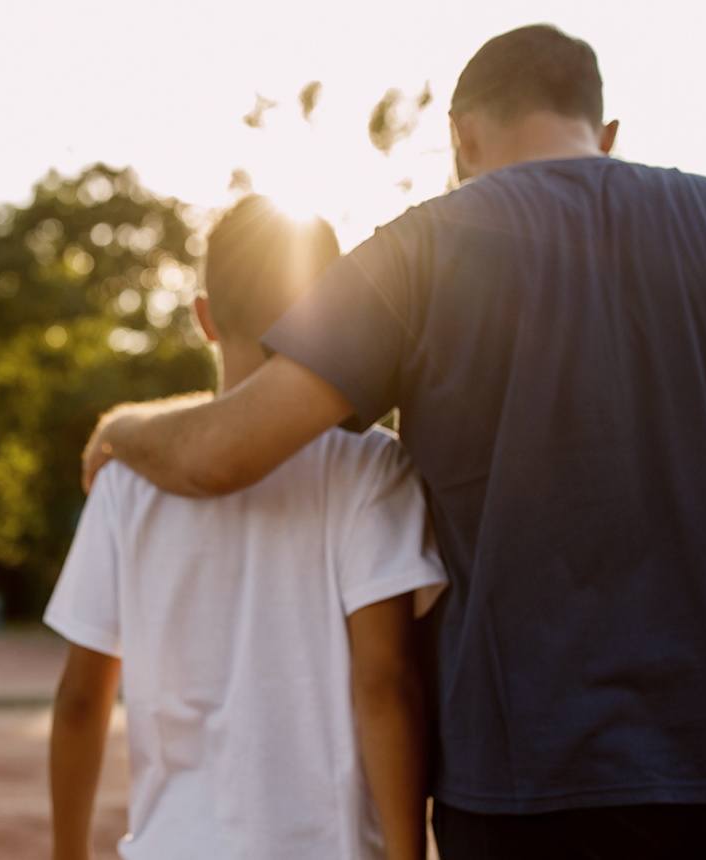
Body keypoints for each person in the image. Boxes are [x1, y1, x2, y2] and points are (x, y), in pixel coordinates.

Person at [80, 24, 706, 860]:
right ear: (606, 132)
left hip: (520, 778)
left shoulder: (417, 252)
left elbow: (223, 451)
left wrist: (123, 426)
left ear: (461, 138)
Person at [48, 196, 448, 860]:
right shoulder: (371, 466)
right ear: (333, 313)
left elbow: (81, 701)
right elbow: (386, 682)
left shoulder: (123, 483)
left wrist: (67, 855)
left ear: (205, 318)